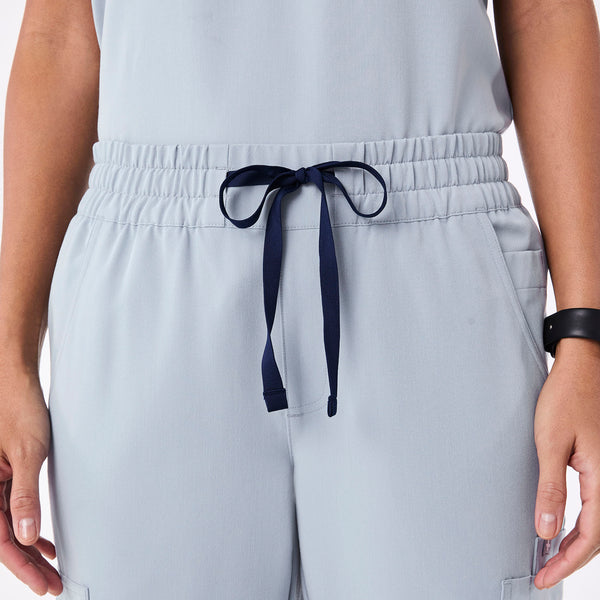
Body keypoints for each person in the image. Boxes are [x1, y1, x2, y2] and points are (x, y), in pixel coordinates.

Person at [1, 0, 600, 598]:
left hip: (431, 262)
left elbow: (544, 14)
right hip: (152, 270)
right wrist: (8, 359)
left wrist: (587, 341)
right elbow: (59, 34)